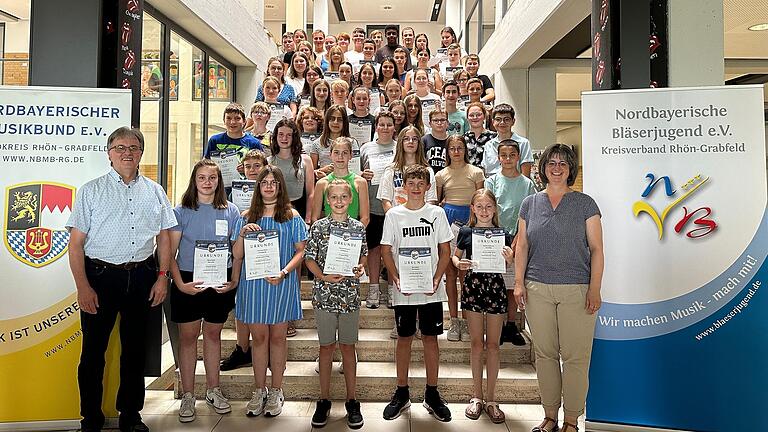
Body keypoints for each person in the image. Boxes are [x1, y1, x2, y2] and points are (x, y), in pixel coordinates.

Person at [67, 127, 177, 432]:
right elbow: (75, 245)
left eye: (133, 147)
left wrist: (162, 278)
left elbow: (164, 238)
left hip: (142, 276)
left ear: (141, 153)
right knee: (92, 355)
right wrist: (83, 287)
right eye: (120, 148)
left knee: (134, 352)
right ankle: (91, 418)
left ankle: (130, 414)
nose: (127, 152)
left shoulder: (155, 191)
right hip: (99, 278)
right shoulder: (91, 191)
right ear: (109, 153)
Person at [514, 144, 604, 432]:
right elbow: (523, 245)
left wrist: (595, 288)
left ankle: (571, 420)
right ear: (543, 167)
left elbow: (597, 249)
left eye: (563, 164)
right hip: (537, 288)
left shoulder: (585, 204)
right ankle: (550, 416)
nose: (556, 168)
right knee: (545, 355)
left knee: (576, 358)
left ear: (570, 170)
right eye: (551, 162)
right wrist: (518, 283)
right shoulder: (530, 203)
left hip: (576, 290)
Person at [232, 165, 308, 417]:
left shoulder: (292, 216)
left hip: (281, 282)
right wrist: (242, 234)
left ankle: (276, 389)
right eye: (264, 182)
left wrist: (284, 272)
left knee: (278, 338)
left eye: (273, 182)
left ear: (280, 186)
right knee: (259, 339)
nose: (268, 186)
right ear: (258, 186)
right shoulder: (246, 217)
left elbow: (301, 251)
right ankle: (259, 389)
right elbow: (237, 255)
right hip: (253, 285)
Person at [380, 164, 453, 422]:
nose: (415, 187)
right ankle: (402, 392)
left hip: (431, 289)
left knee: (431, 339)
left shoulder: (436, 213)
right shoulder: (394, 215)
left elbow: (446, 251)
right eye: (411, 182)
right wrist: (396, 279)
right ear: (404, 186)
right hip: (404, 290)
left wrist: (436, 279)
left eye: (420, 183)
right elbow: (386, 250)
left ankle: (432, 393)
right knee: (404, 339)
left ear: (427, 186)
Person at [170, 159, 240, 423]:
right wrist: (179, 284)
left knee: (213, 335)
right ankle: (188, 395)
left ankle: (213, 390)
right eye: (202, 177)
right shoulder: (181, 211)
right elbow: (170, 253)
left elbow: (237, 251)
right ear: (195, 181)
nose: (208, 182)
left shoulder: (231, 210)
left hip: (219, 280)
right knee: (188, 339)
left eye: (212, 178)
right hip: (189, 280)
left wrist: (233, 280)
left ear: (219, 181)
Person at [305, 179, 368, 429]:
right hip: (325, 295)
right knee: (326, 347)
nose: (339, 201)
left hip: (350, 295)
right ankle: (324, 400)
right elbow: (309, 258)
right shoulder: (319, 227)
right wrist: (322, 276)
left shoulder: (357, 228)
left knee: (348, 347)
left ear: (351, 200)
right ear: (327, 201)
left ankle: (352, 400)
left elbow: (363, 254)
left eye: (344, 197)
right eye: (334, 198)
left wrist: (361, 266)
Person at [452, 190, 515, 423]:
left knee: (493, 345)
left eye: (489, 206)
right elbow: (455, 257)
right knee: (477, 344)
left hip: (496, 290)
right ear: (472, 209)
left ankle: (491, 399)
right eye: (480, 207)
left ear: (495, 209)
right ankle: (476, 397)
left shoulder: (503, 234)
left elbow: (510, 262)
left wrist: (510, 258)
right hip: (473, 288)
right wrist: (461, 263)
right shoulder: (466, 232)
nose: (484, 211)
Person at [484, 140, 537, 346]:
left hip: (518, 238)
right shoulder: (492, 181)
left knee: (512, 283)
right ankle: (492, 326)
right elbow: (487, 208)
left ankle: (511, 325)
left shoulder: (527, 184)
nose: (507, 159)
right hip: (492, 236)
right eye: (503, 155)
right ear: (498, 158)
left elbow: (530, 214)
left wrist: (517, 240)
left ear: (518, 157)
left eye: (511, 155)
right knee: (493, 283)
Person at [220, 150, 268, 372]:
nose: (252, 170)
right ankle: (242, 349)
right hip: (240, 252)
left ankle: (263, 350)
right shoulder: (234, 195)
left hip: (265, 256)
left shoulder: (271, 191)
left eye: (257, 166)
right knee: (241, 304)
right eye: (248, 166)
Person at [435, 135, 484, 342]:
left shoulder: (476, 172)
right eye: (452, 148)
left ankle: (467, 319)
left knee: (466, 274)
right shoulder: (441, 175)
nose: (456, 151)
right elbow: (437, 201)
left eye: (460, 148)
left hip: (469, 222)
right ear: (447, 151)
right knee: (450, 273)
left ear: (465, 150)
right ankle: (454, 320)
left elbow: (481, 198)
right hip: (448, 221)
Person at [358, 111, 397, 309]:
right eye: (381, 124)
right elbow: (356, 174)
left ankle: (391, 289)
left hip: (393, 208)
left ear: (394, 127)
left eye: (389, 124)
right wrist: (363, 175)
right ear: (376, 127)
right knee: (373, 249)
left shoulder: (399, 148)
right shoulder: (366, 148)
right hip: (372, 206)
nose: (384, 128)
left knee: (390, 250)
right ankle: (374, 287)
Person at [312, 137, 369, 225]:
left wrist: (353, 235)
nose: (340, 157)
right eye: (336, 152)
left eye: (345, 153)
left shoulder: (360, 182)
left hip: (353, 234)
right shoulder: (322, 183)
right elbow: (314, 217)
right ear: (330, 155)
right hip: (328, 234)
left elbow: (365, 218)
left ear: (351, 156)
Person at [268, 119, 314, 224]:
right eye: (281, 134)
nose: (284, 138)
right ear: (275, 136)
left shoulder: (305, 160)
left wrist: (308, 217)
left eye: (289, 135)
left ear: (294, 137)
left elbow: (311, 193)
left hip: (299, 209)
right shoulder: (268, 161)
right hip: (275, 211)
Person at [483, 103, 535, 178]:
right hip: (493, 186)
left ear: (513, 121)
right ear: (493, 122)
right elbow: (485, 171)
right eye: (498, 119)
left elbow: (525, 175)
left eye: (506, 119)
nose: (502, 123)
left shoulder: (523, 143)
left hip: (515, 185)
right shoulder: (488, 145)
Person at [311, 104, 352, 177]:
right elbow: (311, 172)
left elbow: (355, 169)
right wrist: (323, 170)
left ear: (344, 123)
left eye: (340, 120)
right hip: (325, 184)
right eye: (332, 119)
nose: (335, 122)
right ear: (327, 121)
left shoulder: (352, 143)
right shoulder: (316, 144)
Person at [464, 102, 496, 168]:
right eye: (471, 115)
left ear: (484, 116)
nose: (475, 117)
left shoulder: (494, 138)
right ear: (467, 118)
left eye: (478, 115)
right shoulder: (462, 139)